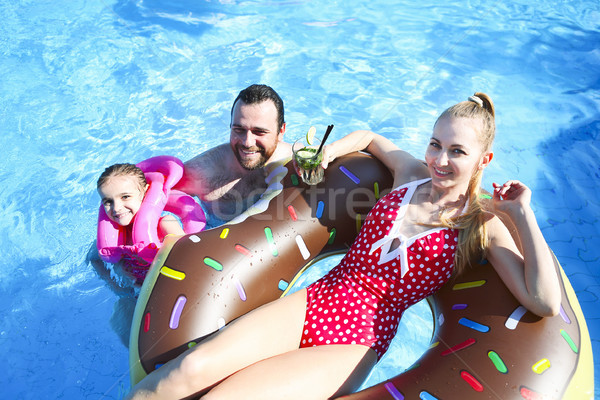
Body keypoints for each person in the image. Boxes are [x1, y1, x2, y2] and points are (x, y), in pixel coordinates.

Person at [125, 93, 561, 400]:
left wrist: (523, 214)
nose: (439, 160)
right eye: (435, 143)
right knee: (188, 371)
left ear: (483, 160)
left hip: (357, 341)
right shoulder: (409, 176)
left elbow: (543, 300)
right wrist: (329, 152)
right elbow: (370, 138)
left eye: (457, 151)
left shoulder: (483, 223)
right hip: (316, 300)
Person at [174, 84, 292, 224]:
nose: (247, 142)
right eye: (239, 130)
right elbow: (152, 191)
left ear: (281, 131)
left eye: (259, 132)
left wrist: (325, 153)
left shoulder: (294, 159)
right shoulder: (205, 171)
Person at [97, 163, 185, 280]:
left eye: (125, 197)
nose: (116, 208)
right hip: (140, 292)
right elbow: (94, 260)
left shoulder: (166, 224)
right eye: (108, 201)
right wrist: (119, 288)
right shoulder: (113, 240)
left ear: (145, 191)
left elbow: (189, 253)